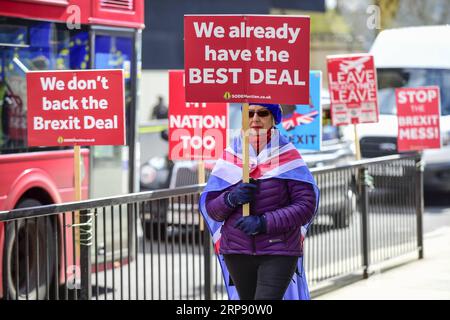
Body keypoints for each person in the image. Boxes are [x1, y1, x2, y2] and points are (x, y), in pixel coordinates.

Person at [199, 103, 319, 300]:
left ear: (274, 119)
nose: (255, 118)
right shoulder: (230, 157)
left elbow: (305, 206)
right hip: (237, 251)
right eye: (249, 113)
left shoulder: (288, 156)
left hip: (278, 250)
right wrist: (231, 198)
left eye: (262, 113)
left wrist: (264, 222)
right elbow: (213, 211)